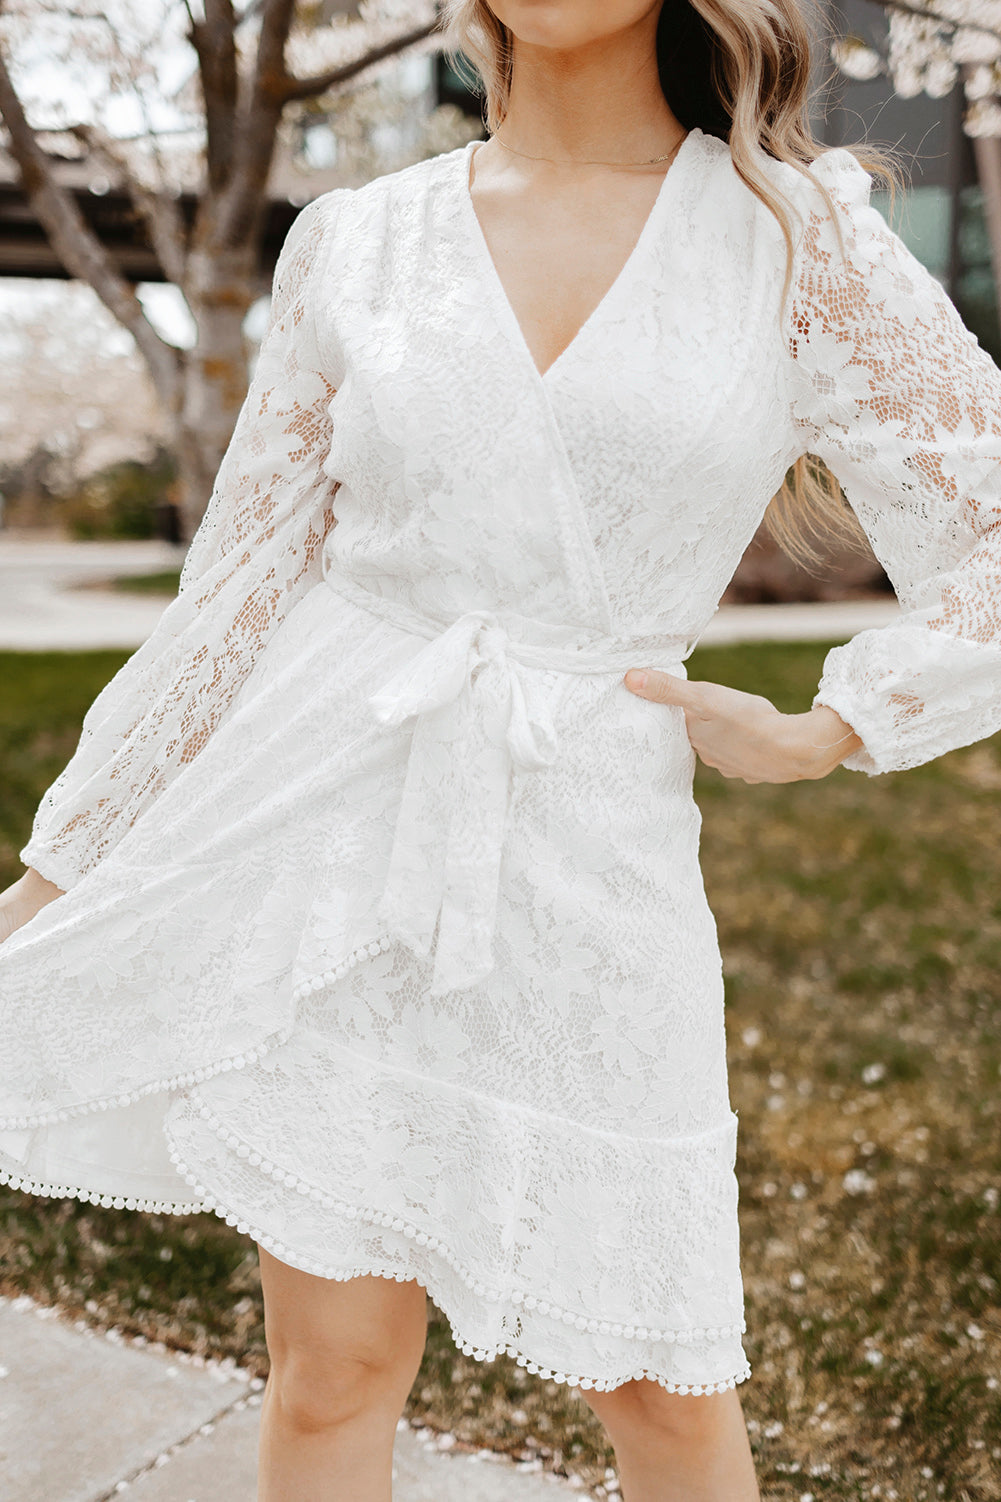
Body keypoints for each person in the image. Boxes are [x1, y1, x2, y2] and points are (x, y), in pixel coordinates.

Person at [2, 0, 1001, 1495]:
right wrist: (56, 872)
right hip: (324, 828)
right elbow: (238, 593)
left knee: (664, 1390)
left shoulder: (799, 237)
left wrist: (834, 725)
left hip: (597, 845)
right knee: (332, 1372)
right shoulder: (356, 238)